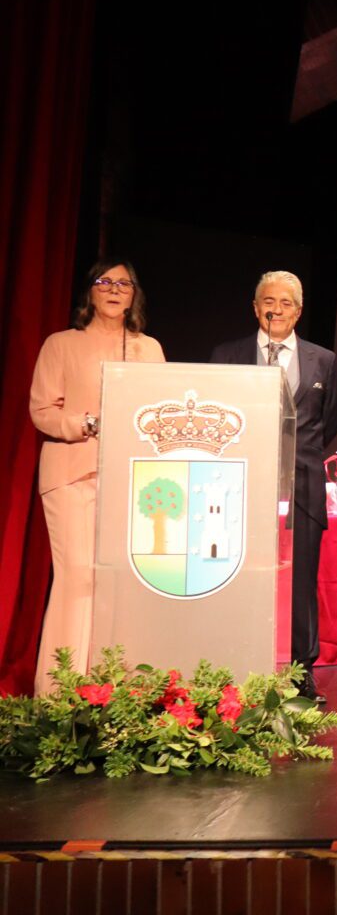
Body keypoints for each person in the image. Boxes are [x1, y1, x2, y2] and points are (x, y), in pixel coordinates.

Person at [29, 260, 165, 694]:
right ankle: (60, 692)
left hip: (131, 479)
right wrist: (87, 424)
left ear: (134, 295)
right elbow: (42, 410)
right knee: (79, 579)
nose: (113, 289)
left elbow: (160, 413)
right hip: (73, 472)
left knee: (120, 581)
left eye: (124, 283)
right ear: (89, 291)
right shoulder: (61, 344)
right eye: (104, 281)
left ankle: (116, 689)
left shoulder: (150, 349)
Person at [210, 271, 337, 702]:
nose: (276, 309)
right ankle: (231, 663)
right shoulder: (227, 355)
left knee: (301, 584)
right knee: (238, 576)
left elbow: (330, 423)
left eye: (285, 303)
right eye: (268, 301)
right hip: (239, 487)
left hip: (302, 485)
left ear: (299, 311)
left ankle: (302, 673)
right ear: (255, 307)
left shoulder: (323, 360)